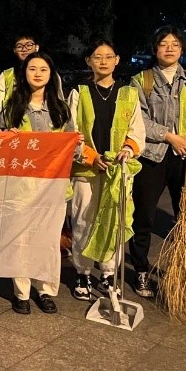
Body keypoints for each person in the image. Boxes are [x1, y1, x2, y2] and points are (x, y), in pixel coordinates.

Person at [128, 26, 186, 298]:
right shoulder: (141, 80)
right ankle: (141, 269)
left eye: (175, 44)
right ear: (155, 50)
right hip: (152, 157)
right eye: (164, 44)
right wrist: (169, 137)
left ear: (181, 49)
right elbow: (138, 120)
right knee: (143, 215)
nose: (169, 48)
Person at [66, 40, 145, 300]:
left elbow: (137, 130)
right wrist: (90, 156)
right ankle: (83, 272)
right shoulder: (79, 92)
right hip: (86, 169)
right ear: (88, 61)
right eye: (97, 57)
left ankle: (109, 272)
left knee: (114, 222)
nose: (103, 61)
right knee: (83, 220)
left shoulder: (128, 93)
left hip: (117, 171)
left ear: (117, 60)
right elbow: (71, 131)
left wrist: (128, 149)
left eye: (108, 56)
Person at [2, 52, 78, 314]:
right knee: (21, 240)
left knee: (48, 241)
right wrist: (7, 136)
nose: (37, 74)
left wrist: (83, 149)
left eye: (43, 69)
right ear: (23, 73)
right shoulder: (12, 107)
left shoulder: (61, 108)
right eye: (32, 68)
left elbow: (72, 145)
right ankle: (21, 292)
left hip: (53, 187)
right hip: (21, 186)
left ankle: (45, 290)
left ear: (51, 74)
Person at [0, 33, 38, 114]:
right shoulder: (6, 76)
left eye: (29, 45)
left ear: (36, 47)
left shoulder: (49, 73)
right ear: (14, 50)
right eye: (19, 46)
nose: (24, 49)